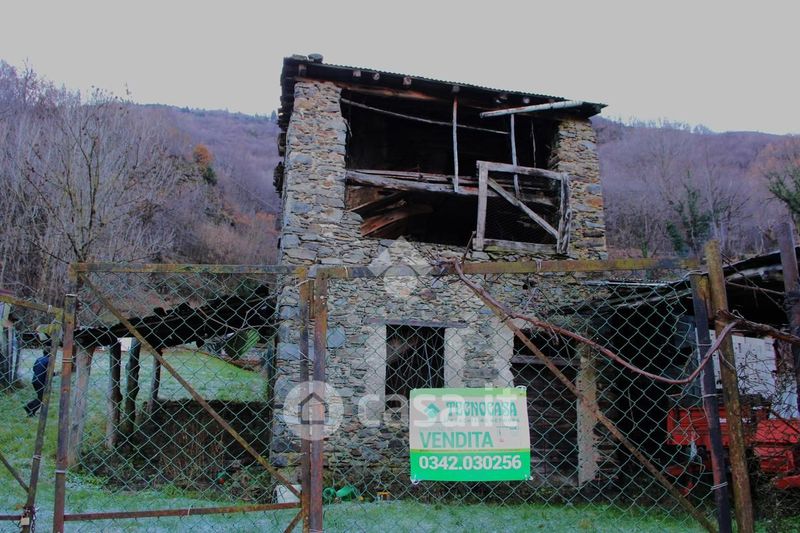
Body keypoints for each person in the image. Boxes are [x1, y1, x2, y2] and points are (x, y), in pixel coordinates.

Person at [24, 345, 51, 418]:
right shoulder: (49, 361)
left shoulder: (39, 359)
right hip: (41, 382)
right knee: (41, 398)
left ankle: (31, 412)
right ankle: (29, 407)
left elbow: (34, 369)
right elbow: (49, 373)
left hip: (35, 380)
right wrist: (56, 374)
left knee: (40, 397)